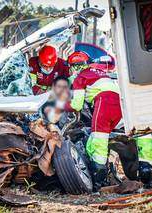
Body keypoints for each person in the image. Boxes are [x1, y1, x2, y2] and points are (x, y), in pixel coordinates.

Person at [56, 51, 122, 191]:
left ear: (74, 67)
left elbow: (76, 105)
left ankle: (98, 182)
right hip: (120, 106)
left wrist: (61, 105)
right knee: (95, 140)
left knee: (99, 142)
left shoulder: (81, 77)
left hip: (104, 104)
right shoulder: (99, 72)